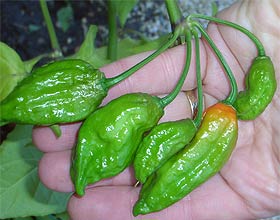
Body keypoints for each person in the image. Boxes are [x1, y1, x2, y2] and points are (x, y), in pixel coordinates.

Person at [32, 0, 280, 219]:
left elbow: (246, 109)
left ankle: (121, 189)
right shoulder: (225, 118)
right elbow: (247, 109)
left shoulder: (224, 119)